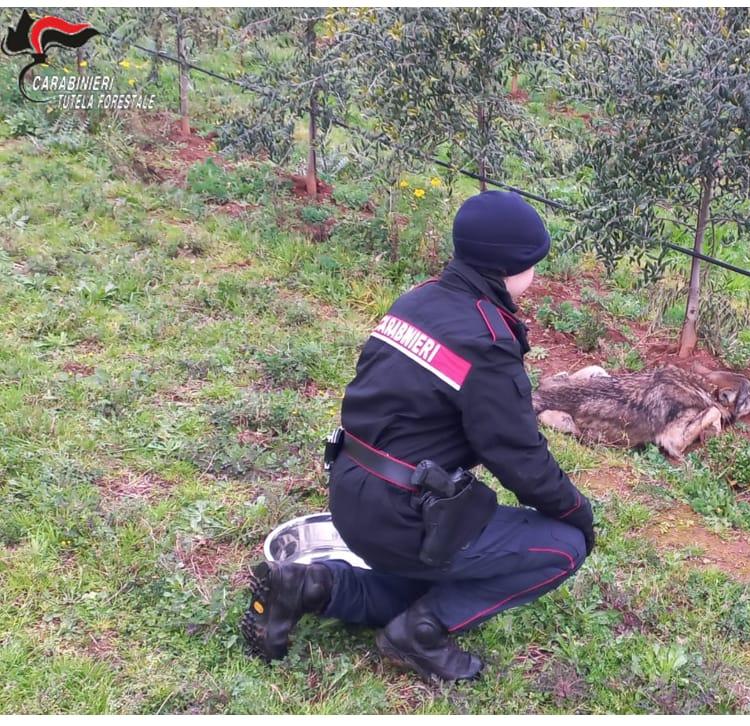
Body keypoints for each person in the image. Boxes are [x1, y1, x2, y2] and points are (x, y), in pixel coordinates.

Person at [241, 190, 595, 682]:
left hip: (351, 493)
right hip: (402, 514)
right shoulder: (487, 339)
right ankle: (421, 634)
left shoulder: (417, 300)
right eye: (535, 263)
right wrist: (578, 513)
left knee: (422, 583)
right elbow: (518, 456)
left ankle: (310, 587)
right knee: (564, 545)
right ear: (510, 267)